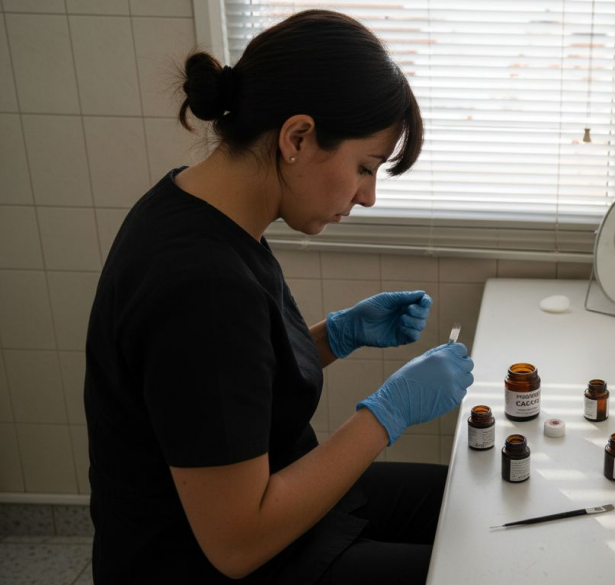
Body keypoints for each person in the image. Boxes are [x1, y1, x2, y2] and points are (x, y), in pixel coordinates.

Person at [83, 10, 473, 584]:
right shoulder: (200, 284)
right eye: (365, 167)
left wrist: (336, 336)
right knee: (478, 570)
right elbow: (237, 544)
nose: (367, 196)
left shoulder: (200, 207)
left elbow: (225, 389)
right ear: (297, 137)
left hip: (276, 505)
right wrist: (388, 412)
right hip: (214, 560)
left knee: (472, 505)